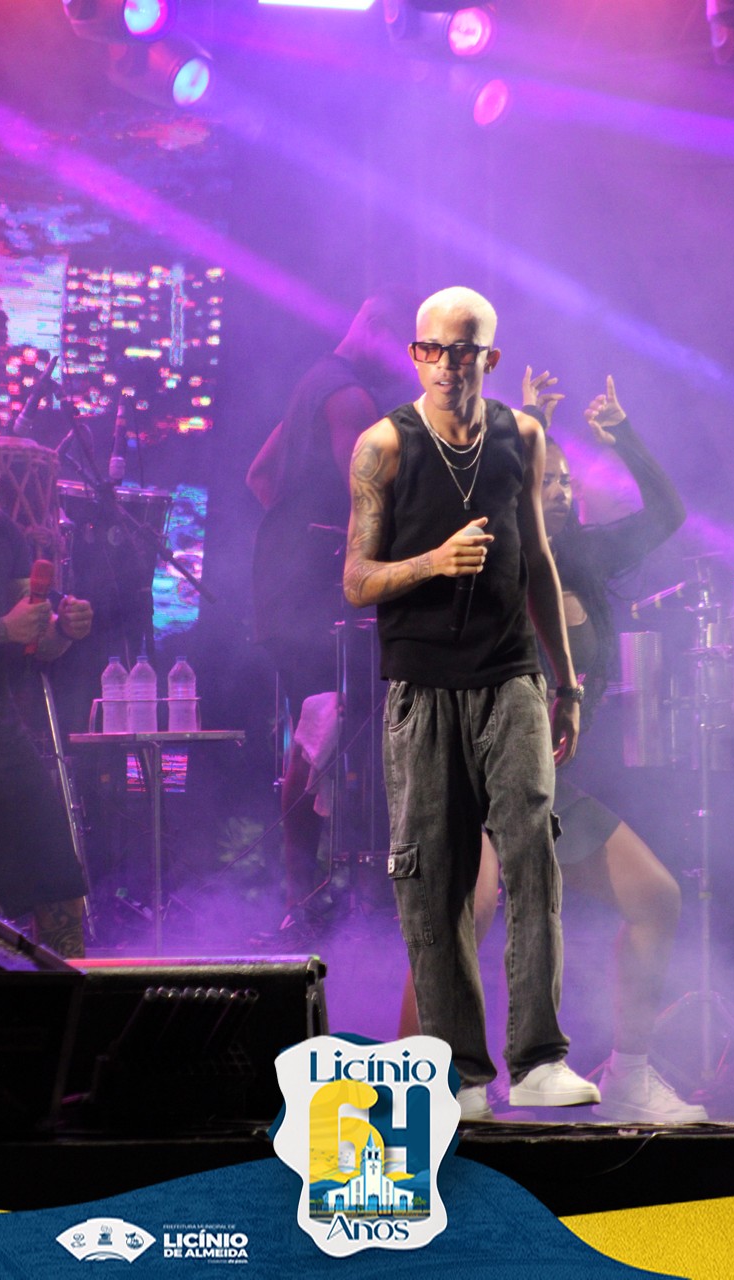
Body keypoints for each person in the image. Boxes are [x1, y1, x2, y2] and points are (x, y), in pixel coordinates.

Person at [401, 375, 709, 1124]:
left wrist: (624, 433)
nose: (563, 492)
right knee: (465, 913)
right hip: (473, 768)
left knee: (656, 898)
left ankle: (630, 1077)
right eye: (548, 480)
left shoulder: (587, 559)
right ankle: (410, 1089)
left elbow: (669, 514)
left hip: (541, 784)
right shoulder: (485, 550)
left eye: (568, 482)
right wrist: (528, 423)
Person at [343, 285, 599, 1119]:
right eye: (433, 350)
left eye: (464, 351)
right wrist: (434, 562)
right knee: (434, 882)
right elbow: (355, 579)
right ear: (415, 353)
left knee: (532, 856)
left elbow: (539, 562)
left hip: (512, 675)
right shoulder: (384, 445)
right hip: (421, 687)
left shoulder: (522, 435)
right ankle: (457, 1072)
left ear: (490, 356)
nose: (448, 366)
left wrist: (566, 682)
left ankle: (539, 1060)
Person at [247, 289, 418, 935]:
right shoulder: (350, 398)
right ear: (373, 325)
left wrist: (295, 536)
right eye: (402, 349)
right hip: (314, 595)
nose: (404, 366)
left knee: (316, 726)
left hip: (285, 586)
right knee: (326, 727)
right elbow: (366, 500)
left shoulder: (313, 384)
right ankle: (313, 894)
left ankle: (305, 893)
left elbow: (260, 477)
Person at [0, 499, 93, 957]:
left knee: (58, 886)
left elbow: (35, 640)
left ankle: (66, 996)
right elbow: (9, 628)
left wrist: (63, 631)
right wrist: (2, 629)